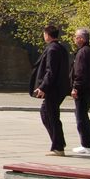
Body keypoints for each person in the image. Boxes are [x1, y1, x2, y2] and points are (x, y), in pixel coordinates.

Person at [33, 24, 70, 156]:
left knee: (50, 115)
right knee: (48, 113)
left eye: (44, 34)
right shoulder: (61, 48)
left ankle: (58, 147)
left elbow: (51, 71)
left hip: (54, 88)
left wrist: (43, 87)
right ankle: (58, 144)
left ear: (47, 35)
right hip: (59, 87)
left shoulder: (52, 49)